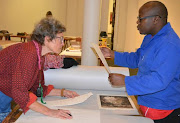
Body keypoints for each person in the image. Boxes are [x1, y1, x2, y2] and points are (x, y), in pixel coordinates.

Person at [101, 1, 180, 123]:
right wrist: (112, 54)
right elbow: (138, 59)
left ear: (155, 19)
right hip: (148, 102)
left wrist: (125, 81)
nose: (137, 22)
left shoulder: (169, 44)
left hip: (162, 109)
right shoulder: (150, 37)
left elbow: (158, 80)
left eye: (140, 19)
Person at [0, 17, 79, 122]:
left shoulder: (38, 54)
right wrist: (49, 112)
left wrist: (63, 92)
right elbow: (19, 92)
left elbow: (37, 87)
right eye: (60, 39)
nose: (63, 43)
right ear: (47, 39)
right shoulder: (29, 54)